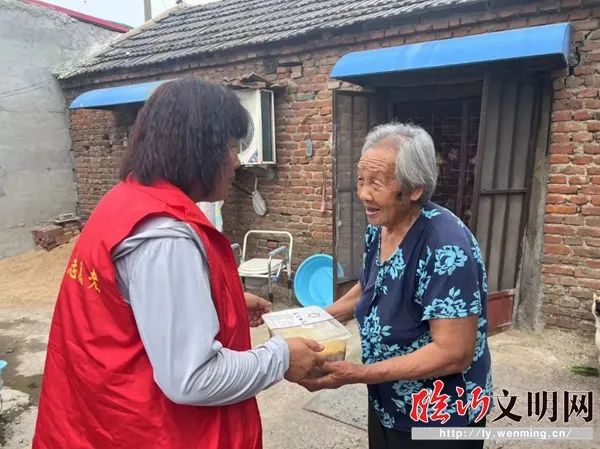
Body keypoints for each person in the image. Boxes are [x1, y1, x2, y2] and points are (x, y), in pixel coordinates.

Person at [33, 78, 323, 449]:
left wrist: (228, 303)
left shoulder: (125, 201)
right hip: (150, 432)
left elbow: (140, 310)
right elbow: (192, 378)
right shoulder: (165, 236)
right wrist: (281, 357)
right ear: (199, 151)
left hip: (95, 421)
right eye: (230, 147)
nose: (236, 161)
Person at [302, 123, 492, 449]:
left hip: (440, 413)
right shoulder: (380, 226)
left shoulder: (446, 247)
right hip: (388, 400)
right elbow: (369, 287)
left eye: (377, 183)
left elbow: (454, 353)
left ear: (415, 189)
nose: (364, 194)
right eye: (361, 180)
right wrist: (313, 320)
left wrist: (359, 373)